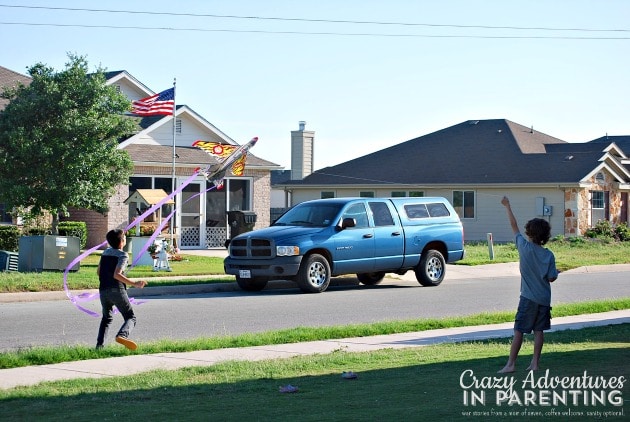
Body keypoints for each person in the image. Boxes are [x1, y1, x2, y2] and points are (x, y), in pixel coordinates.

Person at [499, 197, 558, 373]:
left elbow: (513, 225)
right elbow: (551, 278)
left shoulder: (523, 247)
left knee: (519, 330)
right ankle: (535, 364)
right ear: (545, 236)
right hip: (544, 299)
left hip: (528, 298)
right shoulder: (549, 255)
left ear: (529, 234)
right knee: (539, 331)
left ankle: (510, 364)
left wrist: (507, 205)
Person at [96, 229, 147, 350]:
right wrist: (134, 283)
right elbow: (117, 274)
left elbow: (99, 271)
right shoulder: (123, 255)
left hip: (103, 289)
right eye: (124, 238)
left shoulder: (105, 253)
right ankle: (122, 335)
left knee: (106, 318)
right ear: (122, 242)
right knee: (130, 317)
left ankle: (99, 347)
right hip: (116, 290)